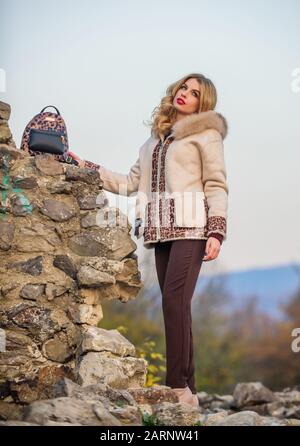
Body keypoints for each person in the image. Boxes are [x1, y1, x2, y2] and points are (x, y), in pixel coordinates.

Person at [68, 73, 229, 408]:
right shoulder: (152, 141)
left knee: (174, 302)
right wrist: (85, 167)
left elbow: (216, 184)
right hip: (159, 231)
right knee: (176, 305)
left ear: (204, 102)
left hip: (193, 228)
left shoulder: (206, 135)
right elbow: (129, 183)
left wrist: (216, 230)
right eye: (183, 87)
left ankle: (176, 388)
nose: (185, 93)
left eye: (194, 92)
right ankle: (190, 393)